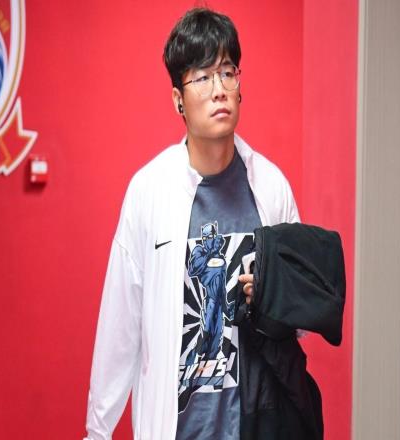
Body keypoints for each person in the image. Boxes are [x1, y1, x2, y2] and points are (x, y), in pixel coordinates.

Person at [84, 8, 305, 440]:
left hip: (256, 424)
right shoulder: (149, 190)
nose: (219, 89)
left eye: (228, 72)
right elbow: (120, 326)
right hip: (178, 428)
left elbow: (299, 317)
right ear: (178, 100)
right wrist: (98, 430)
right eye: (202, 77)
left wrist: (272, 296)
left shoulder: (271, 187)